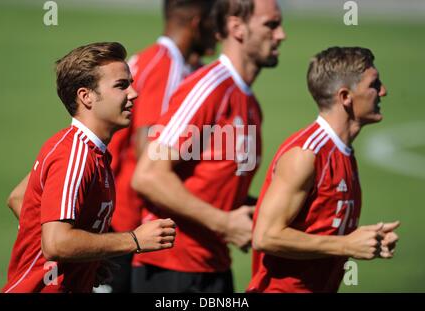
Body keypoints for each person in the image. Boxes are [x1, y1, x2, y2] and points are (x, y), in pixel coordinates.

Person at [131, 0, 286, 292]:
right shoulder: (209, 88)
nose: (281, 35)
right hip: (171, 269)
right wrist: (225, 223)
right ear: (236, 28)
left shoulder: (250, 103)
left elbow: (215, 184)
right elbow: (148, 174)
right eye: (271, 25)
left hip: (213, 267)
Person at [2, 42, 176, 293]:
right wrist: (134, 240)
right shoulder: (75, 155)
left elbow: (20, 198)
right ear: (86, 96)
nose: (134, 94)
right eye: (121, 85)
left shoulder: (87, 151)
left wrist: (89, 255)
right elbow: (55, 243)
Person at [247, 47, 400, 293]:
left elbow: (323, 228)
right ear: (345, 97)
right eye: (374, 84)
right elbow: (266, 236)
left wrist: (369, 241)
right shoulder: (306, 155)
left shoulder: (342, 152)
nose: (383, 91)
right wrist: (346, 245)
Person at [105, 0, 217, 293]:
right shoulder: (166, 66)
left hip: (119, 217)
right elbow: (149, 151)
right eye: (214, 21)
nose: (218, 31)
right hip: (128, 223)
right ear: (197, 22)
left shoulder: (152, 58)